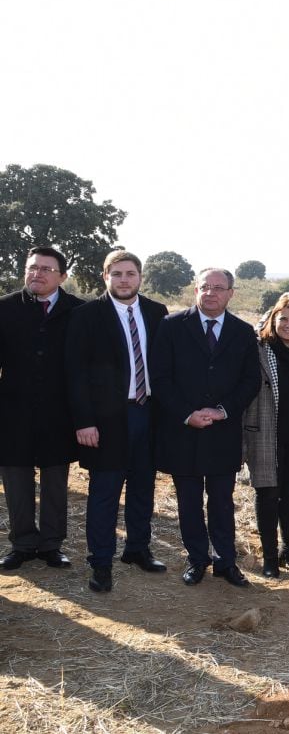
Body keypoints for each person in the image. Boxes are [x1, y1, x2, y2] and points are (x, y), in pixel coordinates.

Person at [65, 250, 169, 592]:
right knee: (105, 494)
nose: (124, 280)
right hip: (106, 420)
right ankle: (101, 562)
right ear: (105, 277)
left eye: (130, 274)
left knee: (143, 488)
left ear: (140, 277)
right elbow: (75, 374)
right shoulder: (86, 315)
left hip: (147, 414)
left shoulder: (157, 313)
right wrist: (84, 421)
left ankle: (137, 549)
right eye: (117, 274)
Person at [151, 268, 261, 588]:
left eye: (218, 288)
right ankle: (197, 559)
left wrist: (222, 411)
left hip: (223, 432)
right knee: (188, 501)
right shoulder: (171, 326)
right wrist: (187, 414)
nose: (210, 293)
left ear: (231, 293)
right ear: (195, 290)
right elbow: (160, 378)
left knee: (222, 501)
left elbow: (250, 380)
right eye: (205, 287)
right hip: (183, 431)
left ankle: (226, 562)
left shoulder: (242, 331)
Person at [0, 247, 84, 572]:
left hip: (58, 415)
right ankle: (21, 544)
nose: (37, 273)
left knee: (55, 483)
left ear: (62, 276)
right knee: (17, 483)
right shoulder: (5, 308)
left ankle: (51, 545)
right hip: (12, 414)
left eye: (46, 269)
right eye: (32, 268)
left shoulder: (79, 311)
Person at [242, 295, 289, 578]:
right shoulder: (259, 350)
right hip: (265, 436)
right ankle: (270, 558)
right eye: (283, 318)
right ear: (273, 320)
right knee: (268, 494)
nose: (288, 324)